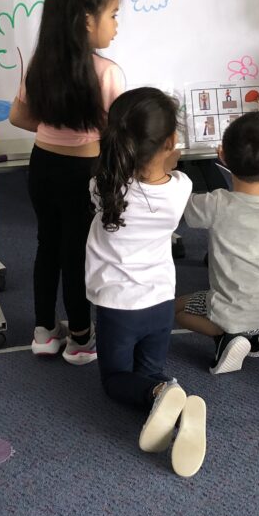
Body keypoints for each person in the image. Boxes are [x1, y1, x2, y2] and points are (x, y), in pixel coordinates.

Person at [85, 87, 206, 477]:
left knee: (116, 379)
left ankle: (161, 395)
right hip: (159, 303)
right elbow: (172, 174)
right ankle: (165, 393)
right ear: (171, 142)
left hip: (118, 308)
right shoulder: (181, 189)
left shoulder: (103, 187)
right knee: (149, 368)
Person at [9, 0, 125, 364]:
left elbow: (18, 117)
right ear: (87, 20)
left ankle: (44, 331)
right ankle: (79, 338)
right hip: (84, 174)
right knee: (78, 253)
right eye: (112, 15)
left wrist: (53, 127)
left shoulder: (40, 65)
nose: (116, 26)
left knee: (48, 245)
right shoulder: (107, 73)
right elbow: (116, 133)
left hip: (41, 167)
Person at [176, 112, 259, 375]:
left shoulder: (217, 203)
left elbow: (180, 206)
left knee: (174, 311)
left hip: (235, 310)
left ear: (222, 155)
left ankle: (226, 337)